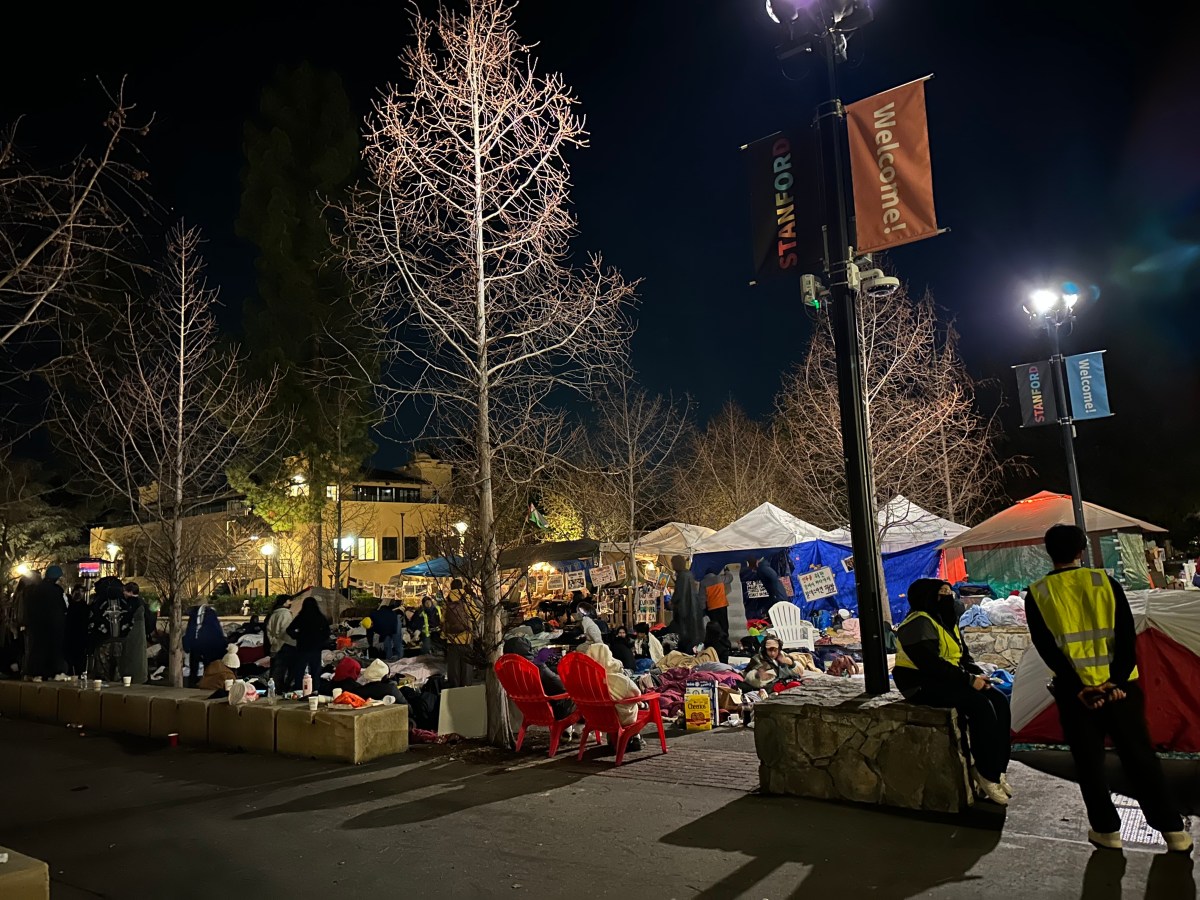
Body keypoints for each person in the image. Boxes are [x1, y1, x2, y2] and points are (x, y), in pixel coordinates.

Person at [1025, 524, 1191, 853]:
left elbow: (1048, 649)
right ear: (1080, 551)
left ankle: (1107, 831)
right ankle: (1174, 832)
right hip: (1121, 691)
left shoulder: (1038, 594)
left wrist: (1081, 688)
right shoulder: (1105, 583)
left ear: (1049, 553)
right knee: (1140, 758)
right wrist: (1113, 682)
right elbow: (1126, 637)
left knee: (1089, 764)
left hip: (1078, 698)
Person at [892, 578, 1012, 806]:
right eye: (943, 593)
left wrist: (977, 675)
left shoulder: (946, 621)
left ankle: (998, 769)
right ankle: (985, 773)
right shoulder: (916, 624)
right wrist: (969, 681)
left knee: (998, 699)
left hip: (946, 679)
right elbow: (931, 665)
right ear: (927, 597)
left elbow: (962, 657)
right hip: (920, 684)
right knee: (980, 706)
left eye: (950, 592)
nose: (950, 597)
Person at [503, 635, 575, 721]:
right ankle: (578, 730)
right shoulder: (536, 667)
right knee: (580, 695)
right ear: (528, 649)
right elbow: (560, 685)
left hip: (528, 711)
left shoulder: (507, 669)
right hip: (552, 710)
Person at [22, 565, 67, 679]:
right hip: (54, 625)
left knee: (38, 647)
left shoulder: (34, 590)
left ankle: (35, 673)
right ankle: (56, 672)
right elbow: (64, 607)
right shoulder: (56, 590)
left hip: (37, 625)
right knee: (54, 648)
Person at [286, 595, 331, 691]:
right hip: (316, 648)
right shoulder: (320, 617)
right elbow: (327, 632)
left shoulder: (301, 617)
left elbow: (289, 630)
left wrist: (297, 636)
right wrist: (321, 640)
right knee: (315, 671)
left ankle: (299, 689)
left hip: (302, 647)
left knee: (300, 670)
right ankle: (315, 690)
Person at [182, 600, 226, 687]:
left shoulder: (194, 615)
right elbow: (216, 629)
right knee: (208, 666)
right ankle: (207, 683)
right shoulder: (211, 613)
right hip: (208, 644)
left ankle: (192, 684)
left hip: (195, 644)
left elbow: (190, 630)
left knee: (194, 667)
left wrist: (187, 644)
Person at [443, 579, 477, 687]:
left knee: (454, 669)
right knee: (467, 667)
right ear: (461, 586)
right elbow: (476, 615)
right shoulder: (467, 598)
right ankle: (466, 690)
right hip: (466, 637)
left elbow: (443, 619)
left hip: (451, 640)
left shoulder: (447, 599)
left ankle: (455, 690)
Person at [669, 556, 704, 654]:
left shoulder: (682, 576)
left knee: (687, 635)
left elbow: (680, 593)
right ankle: (696, 651)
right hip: (693, 610)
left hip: (685, 611)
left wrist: (673, 602)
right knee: (695, 634)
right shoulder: (688, 574)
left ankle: (688, 652)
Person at [265, 595, 296, 691]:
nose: (291, 603)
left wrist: (273, 642)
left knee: (275, 673)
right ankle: (281, 690)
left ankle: (274, 690)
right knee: (282, 672)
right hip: (284, 647)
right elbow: (286, 632)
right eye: (290, 601)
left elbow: (269, 631)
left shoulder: (273, 614)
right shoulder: (285, 614)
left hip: (274, 647)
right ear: (286, 602)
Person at [119, 581, 148, 686]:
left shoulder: (131, 603)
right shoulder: (142, 602)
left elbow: (127, 618)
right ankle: (141, 677)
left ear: (130, 592)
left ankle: (131, 679)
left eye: (125, 591)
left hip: (132, 635)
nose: (123, 594)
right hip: (141, 634)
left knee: (131, 657)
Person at [64, 584, 90, 676]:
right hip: (70, 636)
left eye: (82, 591)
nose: (79, 593)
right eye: (77, 591)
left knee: (79, 659)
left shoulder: (85, 607)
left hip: (80, 637)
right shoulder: (68, 605)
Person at [699, 567, 732, 637]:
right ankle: (725, 640)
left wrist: (703, 609)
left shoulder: (703, 582)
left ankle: (717, 640)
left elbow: (702, 598)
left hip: (712, 607)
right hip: (722, 605)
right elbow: (730, 578)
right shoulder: (719, 578)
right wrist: (727, 571)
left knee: (715, 626)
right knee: (724, 624)